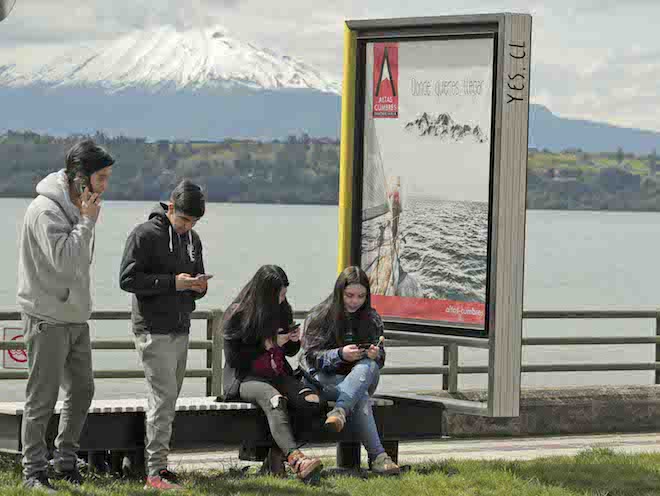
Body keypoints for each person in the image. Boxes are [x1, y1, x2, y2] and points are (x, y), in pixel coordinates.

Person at [17, 139, 114, 492]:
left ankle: (66, 461)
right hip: (46, 316)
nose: (105, 185)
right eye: (101, 177)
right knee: (41, 398)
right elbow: (64, 262)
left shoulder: (78, 204)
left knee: (83, 389)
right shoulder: (46, 210)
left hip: (74, 316)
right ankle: (33, 472)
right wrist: (87, 222)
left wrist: (85, 219)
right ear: (79, 177)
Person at [119, 180, 208, 491]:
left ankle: (158, 468)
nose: (188, 227)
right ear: (170, 208)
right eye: (184, 219)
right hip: (152, 329)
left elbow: (194, 283)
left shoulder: (193, 239)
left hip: (181, 327)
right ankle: (155, 472)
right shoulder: (143, 235)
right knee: (163, 398)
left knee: (166, 401)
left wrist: (198, 285)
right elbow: (127, 279)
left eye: (194, 221)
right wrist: (174, 283)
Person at [222, 265, 323, 483]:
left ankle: (275, 457)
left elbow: (288, 352)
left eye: (285, 294)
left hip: (278, 373)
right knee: (275, 400)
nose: (283, 299)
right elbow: (234, 359)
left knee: (312, 401)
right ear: (265, 293)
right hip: (246, 378)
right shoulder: (237, 314)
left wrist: (293, 341)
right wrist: (266, 345)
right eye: (280, 294)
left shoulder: (283, 309)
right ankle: (297, 461)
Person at [301, 266, 400, 475]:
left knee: (371, 365)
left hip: (361, 375)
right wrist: (339, 355)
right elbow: (310, 358)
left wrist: (376, 354)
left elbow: (381, 357)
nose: (355, 301)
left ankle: (340, 411)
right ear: (339, 292)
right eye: (349, 295)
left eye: (361, 296)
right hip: (326, 380)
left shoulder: (372, 317)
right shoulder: (320, 315)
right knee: (360, 396)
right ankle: (379, 457)